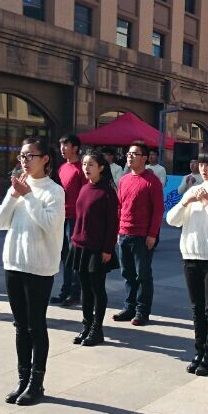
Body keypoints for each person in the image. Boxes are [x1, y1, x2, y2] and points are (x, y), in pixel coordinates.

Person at [0, 138, 65, 405]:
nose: (24, 161)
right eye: (22, 156)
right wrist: (13, 196)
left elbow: (49, 224)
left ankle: (37, 382)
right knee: (20, 326)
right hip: (14, 263)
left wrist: (28, 196)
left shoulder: (54, 191)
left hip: (39, 267)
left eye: (30, 156)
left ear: (45, 159)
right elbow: (0, 222)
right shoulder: (18, 186)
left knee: (36, 325)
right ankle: (22, 378)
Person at [166, 146, 208, 374]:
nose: (203, 169)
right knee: (196, 309)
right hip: (191, 255)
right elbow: (172, 220)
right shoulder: (193, 190)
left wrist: (207, 203)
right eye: (201, 164)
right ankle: (199, 351)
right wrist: (186, 202)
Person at [70, 149, 120, 347]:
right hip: (80, 246)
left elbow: (112, 223)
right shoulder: (84, 188)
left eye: (90, 164)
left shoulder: (107, 192)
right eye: (84, 164)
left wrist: (107, 248)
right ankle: (86, 325)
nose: (86, 168)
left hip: (98, 248)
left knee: (97, 288)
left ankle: (97, 329)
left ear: (101, 167)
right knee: (85, 289)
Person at [114, 141, 164, 326]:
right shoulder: (124, 180)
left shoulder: (152, 181)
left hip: (142, 236)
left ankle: (142, 311)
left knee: (142, 275)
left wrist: (152, 234)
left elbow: (158, 210)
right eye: (128, 154)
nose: (130, 157)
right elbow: (119, 207)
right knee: (127, 273)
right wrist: (117, 231)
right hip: (124, 233)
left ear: (145, 158)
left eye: (134, 154)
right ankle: (129, 307)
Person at [52, 134, 85, 306]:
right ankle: (64, 291)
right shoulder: (62, 168)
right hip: (61, 217)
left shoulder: (82, 169)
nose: (62, 149)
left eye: (66, 145)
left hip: (75, 219)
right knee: (64, 256)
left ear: (75, 148)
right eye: (61, 145)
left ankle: (75, 292)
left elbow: (86, 196)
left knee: (74, 257)